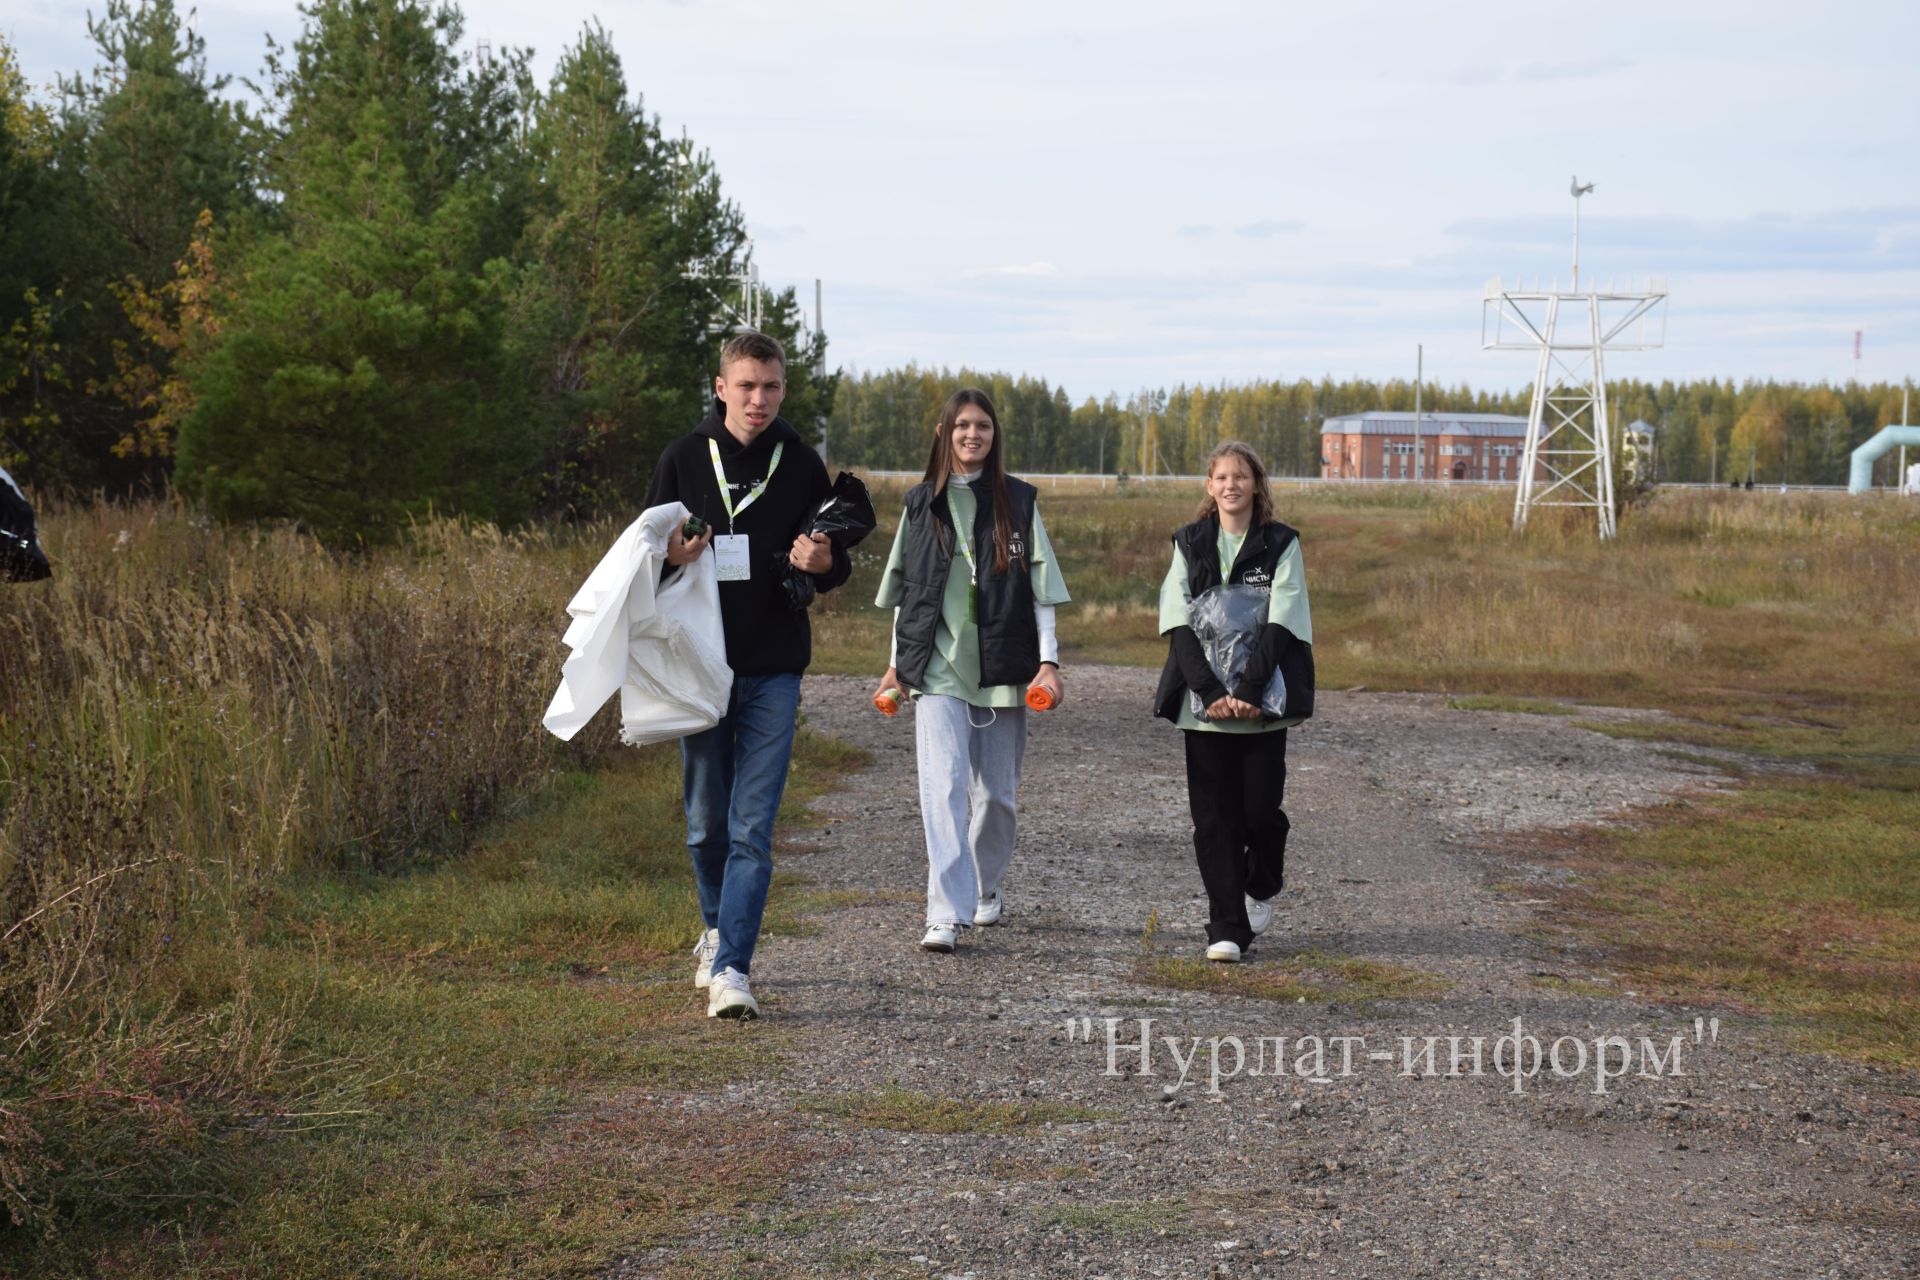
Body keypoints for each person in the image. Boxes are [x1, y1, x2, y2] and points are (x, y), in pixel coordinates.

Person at [644, 332, 850, 1018]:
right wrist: (672, 556)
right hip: (700, 667)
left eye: (770, 387)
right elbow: (643, 557)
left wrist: (824, 567)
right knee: (706, 824)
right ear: (720, 386)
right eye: (746, 385)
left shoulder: (801, 465)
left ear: (783, 390)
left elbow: (831, 561)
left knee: (751, 826)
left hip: (773, 669)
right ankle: (714, 929)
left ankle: (733, 968)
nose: (758, 399)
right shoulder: (680, 458)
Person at [872, 389, 1069, 953]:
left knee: (997, 796)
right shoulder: (919, 504)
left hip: (1006, 664)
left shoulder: (1019, 502)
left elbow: (1041, 590)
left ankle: (985, 886)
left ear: (994, 435)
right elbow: (909, 597)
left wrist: (1048, 663)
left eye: (982, 425)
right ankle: (944, 911)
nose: (972, 434)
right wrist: (895, 669)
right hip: (936, 669)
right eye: (961, 425)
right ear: (944, 433)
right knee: (944, 787)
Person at [1152, 441, 1314, 964]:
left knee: (1260, 814)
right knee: (1214, 820)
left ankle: (1261, 882)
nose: (1231, 485)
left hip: (1262, 707)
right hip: (1203, 712)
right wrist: (1211, 692)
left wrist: (1246, 691)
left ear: (1256, 484)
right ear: (1209, 486)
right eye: (1221, 476)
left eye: (1240, 476)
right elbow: (1177, 621)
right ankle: (1225, 925)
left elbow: (1283, 621)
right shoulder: (1189, 542)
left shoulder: (1280, 543)